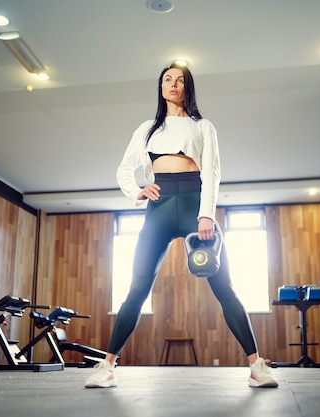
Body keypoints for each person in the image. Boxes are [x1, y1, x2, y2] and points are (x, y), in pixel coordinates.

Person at [85, 62, 278, 389]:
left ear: (188, 87)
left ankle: (256, 366)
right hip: (158, 208)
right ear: (161, 87)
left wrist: (206, 214)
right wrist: (137, 190)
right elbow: (123, 170)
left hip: (194, 203)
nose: (173, 84)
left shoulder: (203, 126)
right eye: (167, 79)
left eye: (180, 80)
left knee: (224, 288)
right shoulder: (147, 128)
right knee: (136, 290)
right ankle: (107, 367)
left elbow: (212, 173)